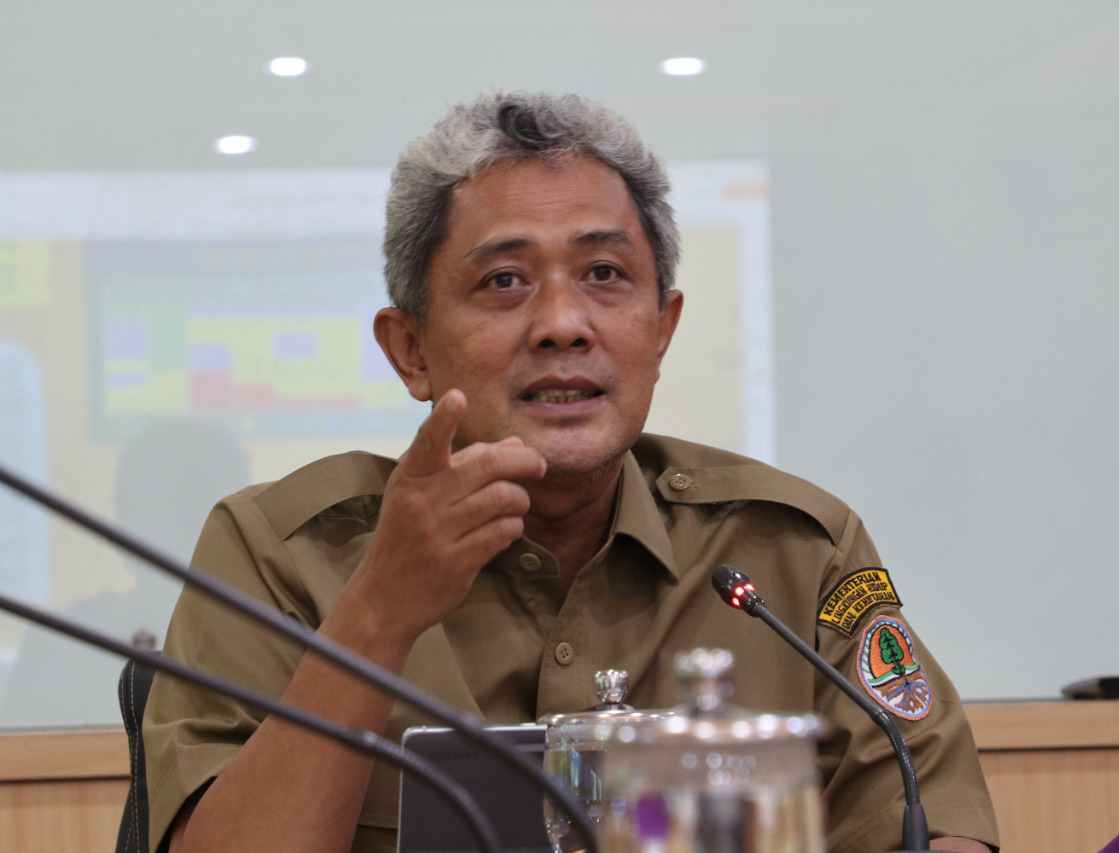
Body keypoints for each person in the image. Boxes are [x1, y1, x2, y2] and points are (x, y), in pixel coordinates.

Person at [143, 92, 1000, 853]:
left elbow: (934, 823)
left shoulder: (793, 554)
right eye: (504, 280)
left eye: (604, 274)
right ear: (410, 351)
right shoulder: (278, 553)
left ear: (661, 329)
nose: (562, 323)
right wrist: (379, 611)